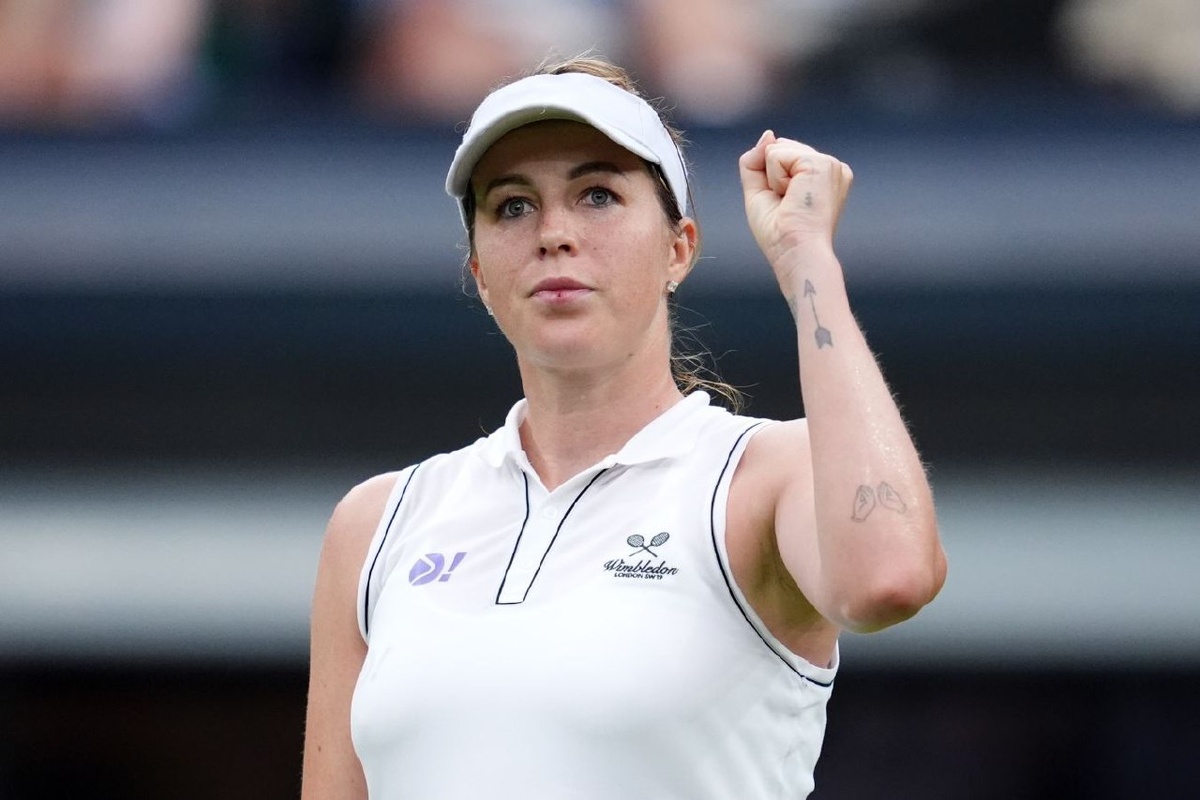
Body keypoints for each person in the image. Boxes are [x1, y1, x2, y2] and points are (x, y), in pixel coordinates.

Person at [301, 55, 947, 799]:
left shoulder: (760, 476)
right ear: (479, 273)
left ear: (679, 248)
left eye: (598, 196)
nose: (553, 233)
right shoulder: (377, 523)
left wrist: (808, 261)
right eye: (513, 206)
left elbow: (889, 578)